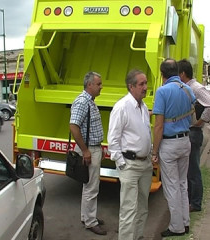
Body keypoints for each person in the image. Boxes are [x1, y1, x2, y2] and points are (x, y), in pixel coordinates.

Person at [152, 58, 195, 237]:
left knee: (171, 187)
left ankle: (176, 226)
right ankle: (185, 222)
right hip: (185, 140)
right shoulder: (188, 90)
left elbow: (159, 126)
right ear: (177, 72)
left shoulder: (162, 92)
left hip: (169, 144)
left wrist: (154, 151)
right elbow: (192, 115)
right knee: (182, 183)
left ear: (162, 75)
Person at [108, 69, 153, 240]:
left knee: (143, 207)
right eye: (141, 84)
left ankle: (138, 236)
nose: (145, 87)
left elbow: (144, 133)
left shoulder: (142, 106)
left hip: (145, 164)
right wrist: (122, 163)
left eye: (146, 83)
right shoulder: (122, 107)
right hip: (130, 165)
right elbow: (113, 139)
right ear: (131, 86)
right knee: (128, 209)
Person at [69, 71, 107, 235]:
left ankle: (87, 217)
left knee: (89, 186)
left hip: (93, 148)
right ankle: (91, 222)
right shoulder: (83, 102)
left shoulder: (89, 101)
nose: (101, 87)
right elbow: (73, 126)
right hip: (89, 149)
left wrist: (99, 148)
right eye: (98, 84)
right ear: (89, 85)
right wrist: (85, 150)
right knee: (91, 187)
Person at [178, 59, 210, 213]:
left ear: (182, 73)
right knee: (188, 170)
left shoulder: (195, 88)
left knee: (193, 170)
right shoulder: (188, 87)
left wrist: (200, 122)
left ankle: (195, 203)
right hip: (190, 132)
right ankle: (190, 201)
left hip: (193, 133)